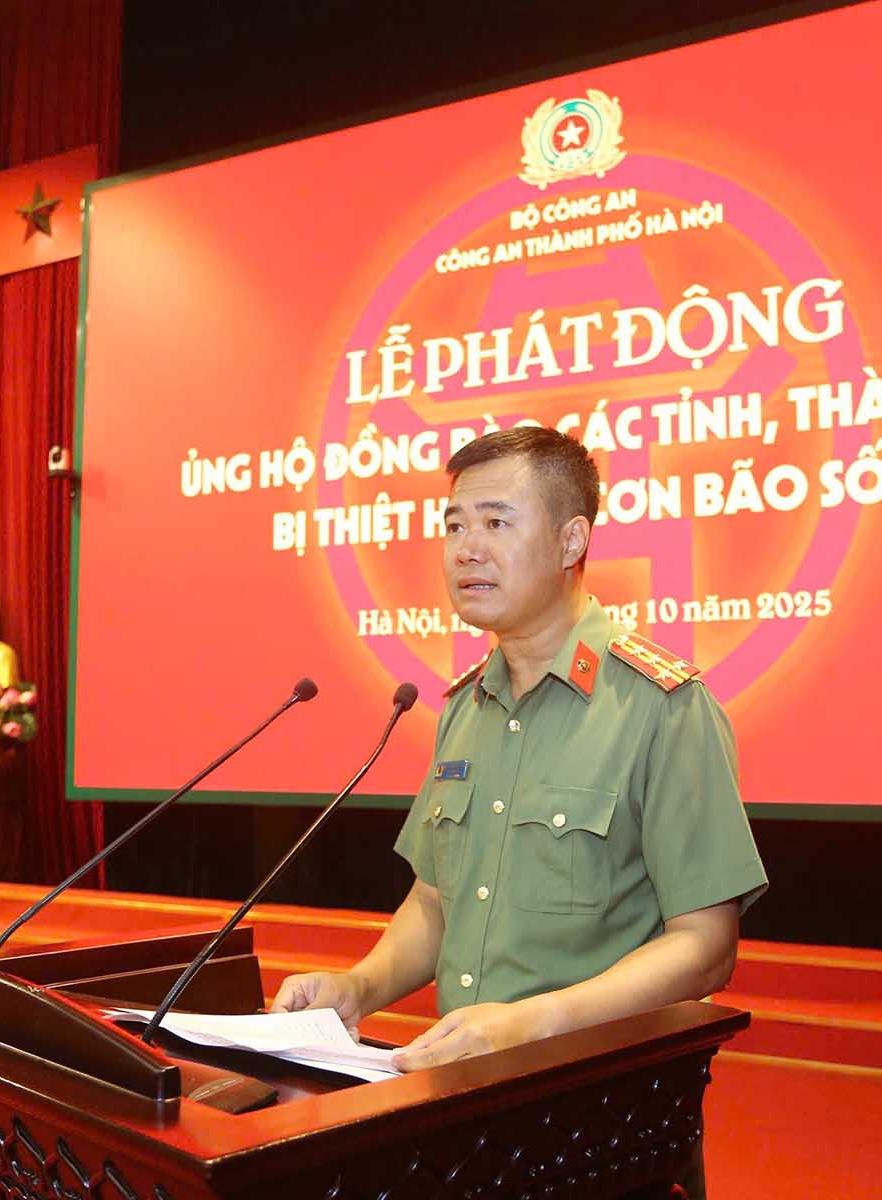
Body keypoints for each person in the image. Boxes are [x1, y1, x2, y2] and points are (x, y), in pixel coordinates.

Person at [273, 427, 765, 1194]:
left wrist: (533, 1023)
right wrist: (359, 989)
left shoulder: (663, 707)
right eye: (455, 525)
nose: (466, 548)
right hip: (458, 1115)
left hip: (599, 1127)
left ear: (573, 539)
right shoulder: (464, 708)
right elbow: (435, 906)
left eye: (497, 522)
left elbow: (704, 947)